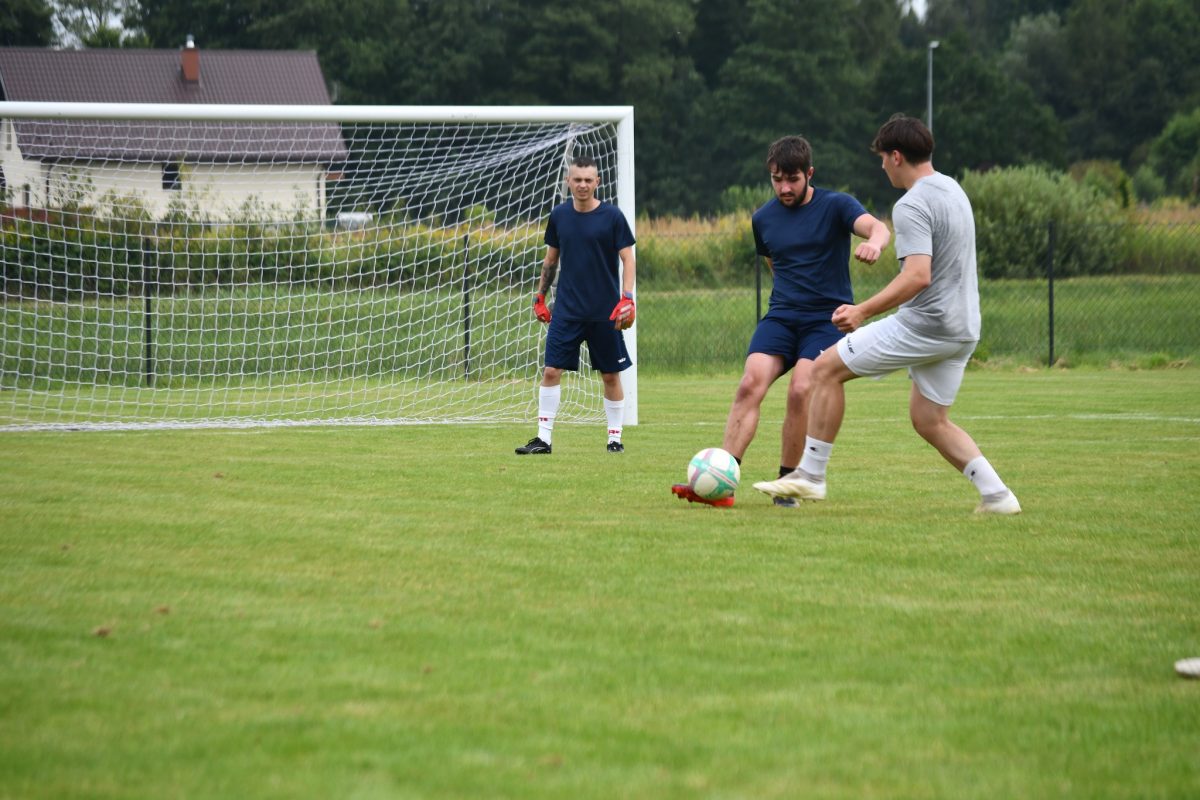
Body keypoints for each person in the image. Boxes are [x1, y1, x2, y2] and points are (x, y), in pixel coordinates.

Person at [753, 115, 1021, 514]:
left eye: (882, 158)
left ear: (897, 156)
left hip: (924, 325)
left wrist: (862, 310)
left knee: (825, 369)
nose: (881, 166)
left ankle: (810, 475)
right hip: (963, 328)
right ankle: (998, 495)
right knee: (929, 419)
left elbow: (917, 276)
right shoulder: (953, 189)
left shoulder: (912, 203)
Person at [672, 135, 890, 506]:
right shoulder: (763, 218)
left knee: (800, 390)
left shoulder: (837, 206)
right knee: (748, 385)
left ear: (809, 173)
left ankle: (788, 482)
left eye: (792, 179)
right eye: (777, 179)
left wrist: (875, 244)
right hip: (782, 318)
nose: (784, 187)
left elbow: (878, 227)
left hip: (826, 321)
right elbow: (776, 264)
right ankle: (720, 482)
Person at [515, 155, 636, 455]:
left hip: (604, 311)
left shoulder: (613, 217)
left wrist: (628, 297)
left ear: (598, 182)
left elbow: (628, 258)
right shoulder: (559, 216)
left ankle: (614, 439)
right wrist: (539, 296)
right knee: (551, 371)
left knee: (610, 375)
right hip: (567, 310)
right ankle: (543, 439)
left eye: (588, 180)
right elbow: (550, 260)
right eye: (577, 179)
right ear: (568, 182)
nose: (582, 185)